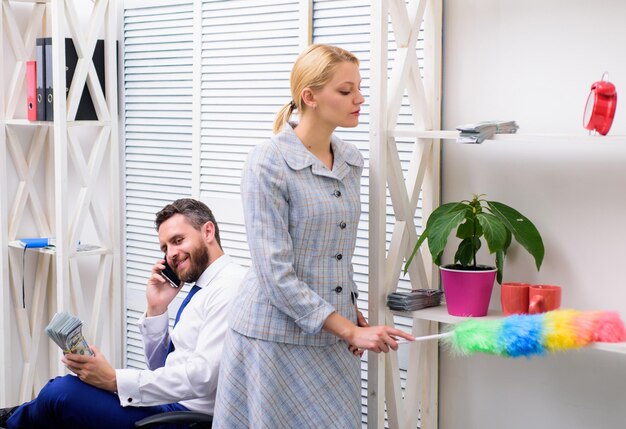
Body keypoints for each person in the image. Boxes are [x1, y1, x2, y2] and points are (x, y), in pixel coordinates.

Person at [212, 44, 415, 429]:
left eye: (358, 88)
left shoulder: (350, 160)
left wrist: (351, 311)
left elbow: (335, 253)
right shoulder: (268, 162)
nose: (359, 98)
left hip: (331, 332)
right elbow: (275, 274)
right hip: (272, 338)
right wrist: (349, 327)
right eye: (345, 90)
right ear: (310, 97)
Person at [1, 198, 247, 429]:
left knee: (61, 394)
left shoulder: (228, 287)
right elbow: (160, 366)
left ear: (208, 232)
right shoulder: (205, 286)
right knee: (63, 389)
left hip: (185, 418)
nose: (170, 253)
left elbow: (203, 378)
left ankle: (13, 419)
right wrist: (156, 308)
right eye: (165, 247)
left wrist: (113, 380)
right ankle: (18, 415)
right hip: (167, 403)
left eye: (178, 240)